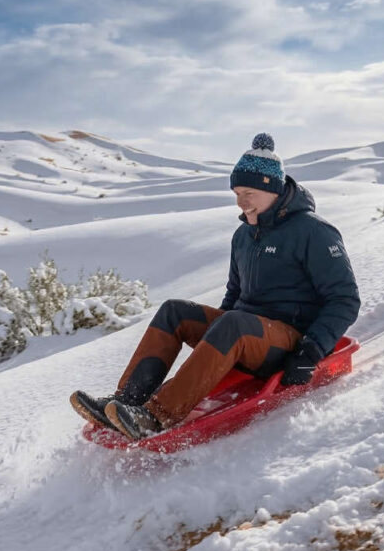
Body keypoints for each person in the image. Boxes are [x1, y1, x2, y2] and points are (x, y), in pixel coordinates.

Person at [71, 133, 361, 440]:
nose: (240, 201)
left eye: (248, 192)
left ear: (272, 188)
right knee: (175, 311)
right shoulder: (243, 236)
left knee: (234, 323)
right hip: (246, 335)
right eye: (237, 192)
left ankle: (156, 417)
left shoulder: (314, 231)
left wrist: (310, 352)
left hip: (290, 342)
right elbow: (235, 295)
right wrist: (215, 343)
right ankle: (126, 401)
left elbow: (345, 299)